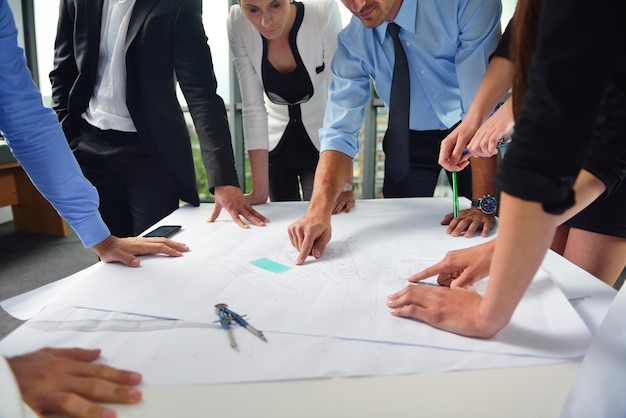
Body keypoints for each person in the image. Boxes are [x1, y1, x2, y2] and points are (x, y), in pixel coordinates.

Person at [387, 0, 626, 338]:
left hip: (608, 164)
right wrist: (474, 119)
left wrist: (487, 313)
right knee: (540, 291)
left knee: (570, 314)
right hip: (576, 146)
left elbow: (607, 144)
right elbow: (518, 41)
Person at [0, 0, 183, 415]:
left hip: (146, 151)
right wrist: (6, 382)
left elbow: (22, 114)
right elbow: (62, 72)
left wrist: (98, 235)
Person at [288, 0, 502, 265]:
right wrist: (317, 212)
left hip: (471, 131)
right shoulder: (352, 41)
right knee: (401, 240)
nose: (358, 5)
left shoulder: (464, 4)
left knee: (486, 228)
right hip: (407, 137)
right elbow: (339, 130)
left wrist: (483, 205)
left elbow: (480, 106)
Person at [50, 0, 269, 237]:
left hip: (150, 154)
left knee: (155, 253)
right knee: (110, 255)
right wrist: (68, 141)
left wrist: (224, 178)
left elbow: (200, 92)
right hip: (89, 147)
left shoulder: (177, 4)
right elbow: (63, 72)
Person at [438, 19, 626, 286]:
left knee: (572, 298)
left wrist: (519, 105)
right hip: (558, 143)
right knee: (541, 284)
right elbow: (514, 47)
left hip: (610, 153)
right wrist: (473, 121)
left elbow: (595, 60)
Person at [228, 0, 353, 212]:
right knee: (281, 228)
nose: (265, 21)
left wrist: (346, 183)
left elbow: (341, 101)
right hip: (274, 151)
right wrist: (259, 192)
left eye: (275, 5)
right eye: (253, 10)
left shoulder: (322, 13)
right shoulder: (237, 23)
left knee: (329, 220)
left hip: (324, 148)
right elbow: (253, 108)